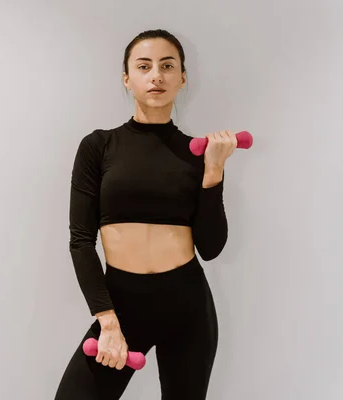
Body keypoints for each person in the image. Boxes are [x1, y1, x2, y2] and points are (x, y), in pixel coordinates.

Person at [53, 29, 238, 400]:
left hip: (187, 304)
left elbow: (212, 247)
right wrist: (106, 320)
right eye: (144, 66)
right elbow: (81, 240)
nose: (157, 75)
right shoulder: (98, 146)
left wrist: (214, 173)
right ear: (127, 78)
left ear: (183, 78)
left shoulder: (196, 153)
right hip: (122, 302)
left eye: (168, 66)